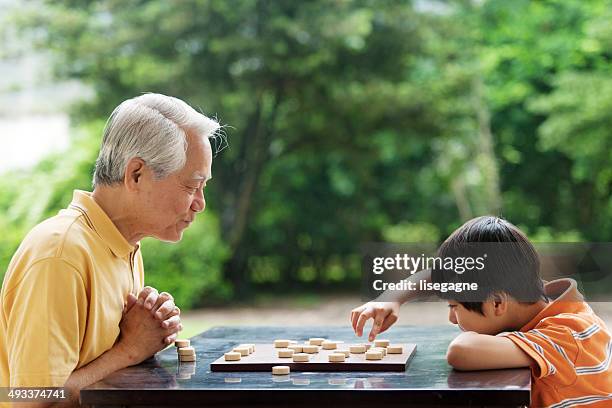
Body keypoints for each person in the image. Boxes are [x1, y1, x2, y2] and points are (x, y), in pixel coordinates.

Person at [0, 93, 219, 406]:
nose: (200, 203)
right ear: (136, 175)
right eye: (191, 186)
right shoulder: (60, 254)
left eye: (203, 187)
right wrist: (130, 349)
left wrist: (148, 333)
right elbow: (29, 399)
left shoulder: (124, 245)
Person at [351, 216, 612, 407]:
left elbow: (461, 351)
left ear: (497, 303)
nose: (452, 319)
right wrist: (392, 298)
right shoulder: (533, 298)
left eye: (454, 307)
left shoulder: (566, 336)